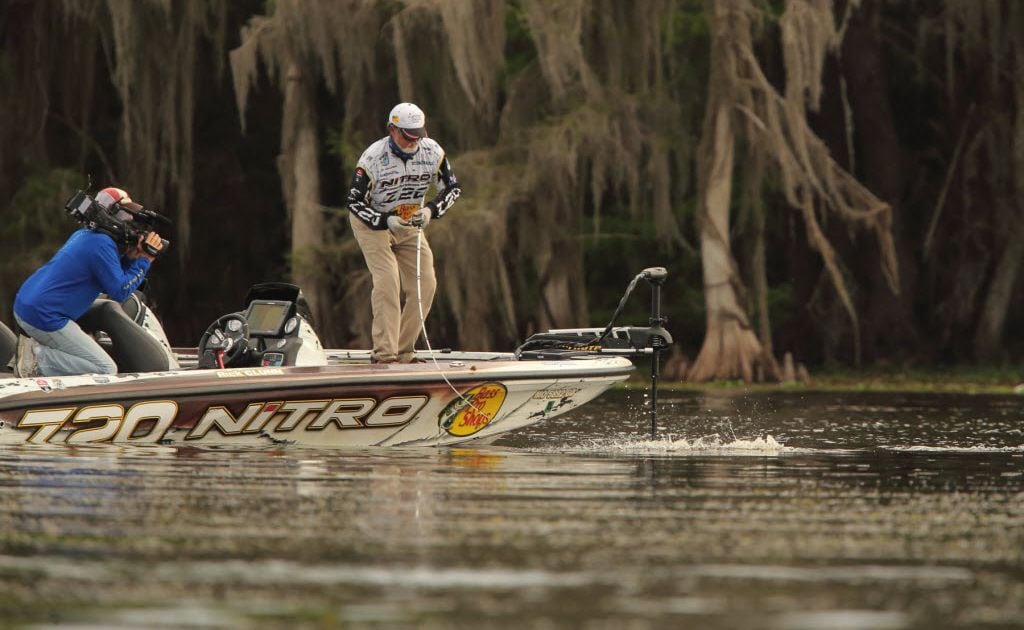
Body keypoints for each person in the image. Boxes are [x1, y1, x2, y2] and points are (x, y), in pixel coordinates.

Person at [346, 102, 461, 363]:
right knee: (388, 282)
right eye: (408, 136)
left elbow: (452, 188)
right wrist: (385, 220)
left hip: (410, 223)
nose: (413, 142)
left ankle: (404, 351)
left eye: (418, 135)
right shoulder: (372, 158)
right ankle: (385, 355)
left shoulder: (432, 151)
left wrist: (431, 210)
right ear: (392, 129)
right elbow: (354, 202)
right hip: (373, 224)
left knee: (426, 284)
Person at [12, 186, 165, 377]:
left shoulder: (87, 236)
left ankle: (38, 353)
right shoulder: (101, 245)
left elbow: (108, 273)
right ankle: (33, 360)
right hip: (45, 316)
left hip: (28, 306)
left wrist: (132, 258)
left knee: (88, 356)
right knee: (105, 368)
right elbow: (119, 291)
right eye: (127, 215)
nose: (132, 221)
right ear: (111, 214)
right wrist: (144, 260)